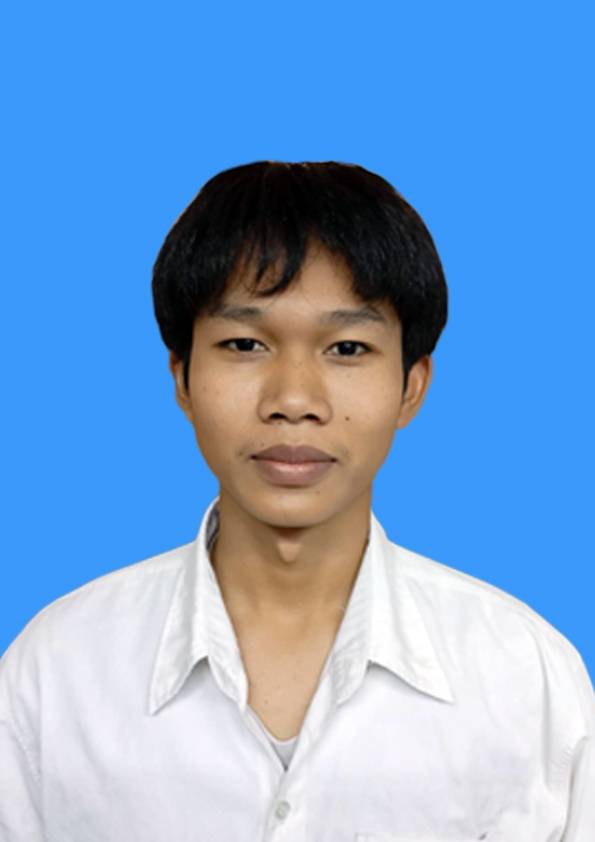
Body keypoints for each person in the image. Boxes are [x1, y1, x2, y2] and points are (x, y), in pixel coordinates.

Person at [0, 161, 592, 840]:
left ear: (412, 386)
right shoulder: (58, 669)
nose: (293, 400)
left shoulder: (524, 676)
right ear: (181, 377)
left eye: (347, 348)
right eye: (244, 344)